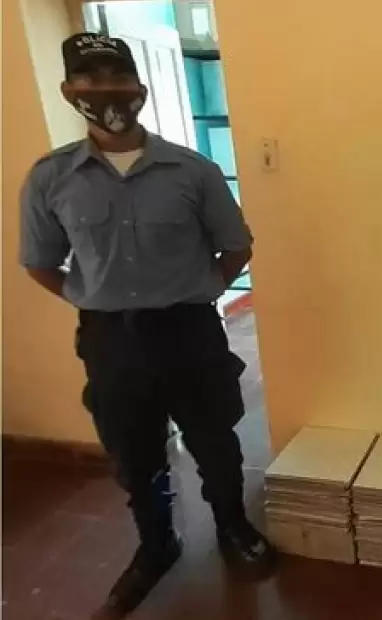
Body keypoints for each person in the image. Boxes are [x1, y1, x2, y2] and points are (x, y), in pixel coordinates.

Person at [19, 33, 277, 617]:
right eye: (90, 80)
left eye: (117, 77)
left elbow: (235, 245)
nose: (105, 91)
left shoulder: (192, 170)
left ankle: (232, 527)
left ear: (139, 87)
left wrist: (204, 291)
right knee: (134, 452)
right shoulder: (51, 178)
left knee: (215, 440)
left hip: (189, 332)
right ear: (69, 90)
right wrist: (90, 298)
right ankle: (156, 545)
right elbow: (39, 261)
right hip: (111, 340)